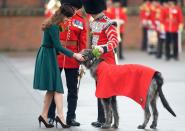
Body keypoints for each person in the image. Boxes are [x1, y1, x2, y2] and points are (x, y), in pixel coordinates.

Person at [33, 4, 84, 128]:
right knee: (58, 88)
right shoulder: (54, 26)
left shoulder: (52, 23)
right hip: (49, 56)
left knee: (51, 89)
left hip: (48, 55)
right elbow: (58, 47)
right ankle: (60, 117)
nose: (67, 20)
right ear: (62, 15)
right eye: (67, 18)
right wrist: (75, 55)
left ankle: (44, 115)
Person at [47, 0, 87, 126]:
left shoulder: (80, 20)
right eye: (73, 7)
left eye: (75, 8)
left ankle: (71, 117)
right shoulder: (57, 17)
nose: (75, 10)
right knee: (54, 87)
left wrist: (82, 56)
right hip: (57, 56)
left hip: (72, 57)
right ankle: (50, 116)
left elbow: (83, 40)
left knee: (73, 89)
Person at [81, 0, 119, 128]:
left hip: (107, 63)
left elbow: (114, 41)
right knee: (99, 90)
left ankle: (110, 119)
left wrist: (103, 48)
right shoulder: (93, 23)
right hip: (97, 64)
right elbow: (92, 44)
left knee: (108, 92)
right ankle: (101, 118)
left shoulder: (108, 23)